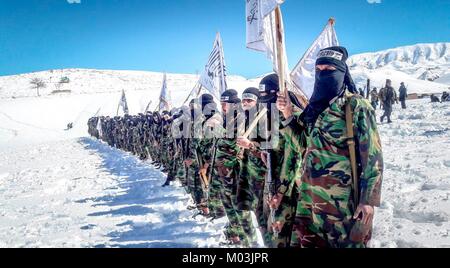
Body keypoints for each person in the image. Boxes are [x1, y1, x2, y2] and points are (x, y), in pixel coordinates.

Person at [277, 46, 383, 248]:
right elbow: (304, 146)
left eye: (330, 70)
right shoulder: (313, 109)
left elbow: (373, 158)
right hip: (309, 202)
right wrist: (288, 115)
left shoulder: (356, 106)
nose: (323, 74)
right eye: (319, 69)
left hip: (343, 205)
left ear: (342, 73)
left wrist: (368, 200)